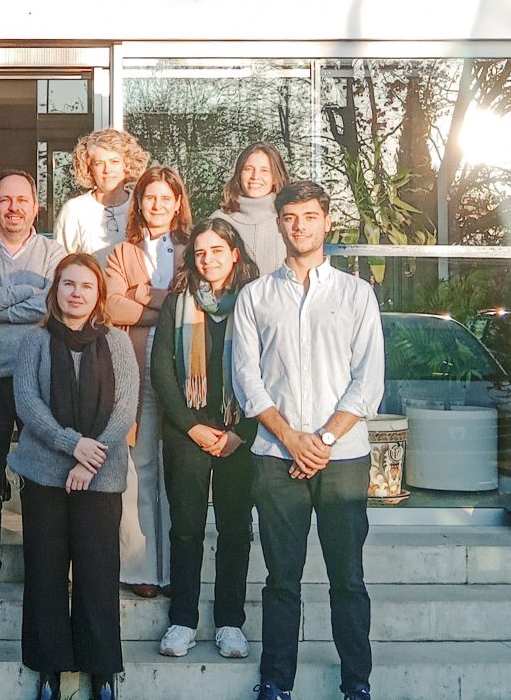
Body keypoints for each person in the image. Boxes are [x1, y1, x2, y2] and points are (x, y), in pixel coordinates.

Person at [232, 181, 384, 700]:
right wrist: (291, 438)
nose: (300, 226)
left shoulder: (356, 293)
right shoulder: (255, 296)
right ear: (279, 223)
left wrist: (319, 439)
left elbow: (368, 380)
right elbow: (246, 380)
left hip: (341, 457)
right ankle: (276, 682)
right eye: (290, 217)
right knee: (281, 579)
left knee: (348, 578)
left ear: (326, 222)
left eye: (309, 217)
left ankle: (356, 683)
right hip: (276, 457)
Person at [9, 253, 139, 700]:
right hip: (45, 477)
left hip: (100, 479)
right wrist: (72, 447)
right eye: (68, 284)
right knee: (45, 571)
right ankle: (49, 668)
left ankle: (101, 669)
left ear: (98, 294)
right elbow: (28, 405)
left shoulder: (117, 343)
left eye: (86, 286)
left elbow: (125, 409)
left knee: (98, 571)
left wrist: (89, 460)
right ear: (55, 291)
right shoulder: (35, 342)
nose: (77, 293)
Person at [150, 217, 260, 660]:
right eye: (200, 252)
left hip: (239, 432)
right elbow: (161, 370)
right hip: (187, 430)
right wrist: (191, 425)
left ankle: (230, 622)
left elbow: (269, 372)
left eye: (217, 250)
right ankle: (183, 620)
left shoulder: (256, 302)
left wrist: (241, 435)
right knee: (187, 528)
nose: (208, 259)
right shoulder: (178, 301)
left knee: (235, 528)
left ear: (235, 253)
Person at [0, 170, 66, 598]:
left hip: (38, 377)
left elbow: (53, 301)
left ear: (35, 206)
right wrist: (23, 296)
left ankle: (49, 562)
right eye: (5, 200)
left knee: (43, 472)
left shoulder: (52, 252)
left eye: (22, 200)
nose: (14, 207)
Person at [103, 165, 191, 598]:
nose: (156, 205)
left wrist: (148, 296)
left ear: (178, 203)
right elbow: (113, 308)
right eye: (148, 198)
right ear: (139, 204)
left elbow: (197, 297)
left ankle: (177, 569)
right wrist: (167, 303)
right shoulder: (121, 253)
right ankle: (142, 570)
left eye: (164, 198)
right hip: (137, 365)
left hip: (182, 367)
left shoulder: (192, 250)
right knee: (139, 466)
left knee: (179, 469)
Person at [53, 128, 150, 265]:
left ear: (127, 164)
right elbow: (60, 265)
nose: (107, 170)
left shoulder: (143, 204)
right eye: (99, 163)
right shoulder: (74, 210)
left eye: (114, 162)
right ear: (89, 168)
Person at [211, 141, 291, 277]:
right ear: (239, 174)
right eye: (248, 169)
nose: (255, 176)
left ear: (275, 178)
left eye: (264, 170)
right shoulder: (219, 220)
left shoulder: (289, 219)